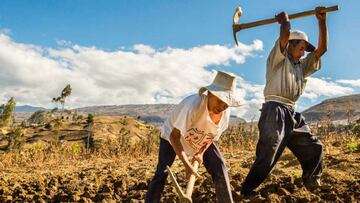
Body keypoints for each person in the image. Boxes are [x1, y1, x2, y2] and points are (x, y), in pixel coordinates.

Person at [240, 6, 328, 197]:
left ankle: (312, 180)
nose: (304, 53)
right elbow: (285, 34)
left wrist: (321, 21)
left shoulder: (301, 67)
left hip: (292, 113)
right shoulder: (278, 60)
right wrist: (285, 22)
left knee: (314, 146)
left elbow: (321, 50)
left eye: (305, 49)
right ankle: (247, 190)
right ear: (290, 45)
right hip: (274, 110)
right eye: (302, 48)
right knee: (269, 150)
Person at [145, 71, 242, 203]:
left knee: (220, 165)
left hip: (200, 140)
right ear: (210, 94)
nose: (222, 106)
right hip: (172, 137)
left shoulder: (225, 114)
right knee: (162, 172)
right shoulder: (192, 105)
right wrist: (186, 164)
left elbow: (211, 138)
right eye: (220, 100)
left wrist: (200, 153)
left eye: (227, 103)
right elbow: (174, 136)